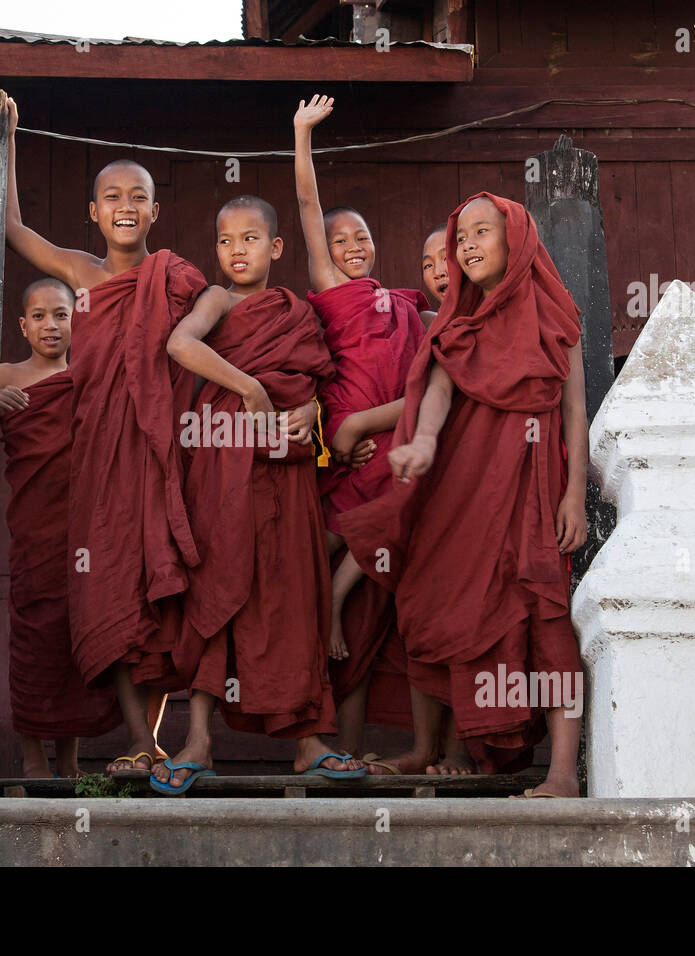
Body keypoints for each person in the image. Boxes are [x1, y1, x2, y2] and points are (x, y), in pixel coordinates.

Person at [339, 192, 588, 796]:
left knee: (543, 615)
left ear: (516, 240)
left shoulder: (556, 317)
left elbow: (576, 412)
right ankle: (427, 746)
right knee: (431, 599)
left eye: (482, 232)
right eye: (462, 237)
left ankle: (560, 773)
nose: (468, 245)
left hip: (532, 493)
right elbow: (438, 392)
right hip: (462, 493)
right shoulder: (457, 320)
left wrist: (575, 493)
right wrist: (422, 442)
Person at [3, 96, 203, 774]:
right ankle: (141, 743)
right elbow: (11, 226)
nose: (124, 205)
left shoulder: (175, 279)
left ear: (154, 212)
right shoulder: (83, 275)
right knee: (111, 592)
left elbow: (213, 348)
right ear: (94, 212)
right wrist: (7, 134)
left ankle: (153, 739)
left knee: (160, 595)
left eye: (138, 196)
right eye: (111, 195)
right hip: (101, 463)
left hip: (160, 458)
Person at [151, 196, 365, 793]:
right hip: (221, 468)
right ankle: (197, 738)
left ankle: (307, 741)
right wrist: (248, 389)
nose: (236, 250)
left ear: (275, 247)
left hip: (287, 476)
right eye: (225, 240)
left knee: (292, 592)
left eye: (249, 239)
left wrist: (312, 413)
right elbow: (179, 346)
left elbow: (317, 385)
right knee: (218, 588)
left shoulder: (295, 311)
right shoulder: (217, 300)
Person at [294, 94, 425, 758]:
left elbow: (434, 379)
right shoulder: (332, 288)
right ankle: (320, 623)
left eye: (362, 237)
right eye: (343, 239)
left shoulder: (406, 303)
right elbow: (310, 211)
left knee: (372, 600)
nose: (350, 246)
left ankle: (342, 755)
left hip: (390, 440)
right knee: (319, 553)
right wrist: (301, 136)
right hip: (346, 437)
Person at [0, 278, 121, 778]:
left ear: (77, 321)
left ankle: (69, 760)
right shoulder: (4, 375)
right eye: (41, 316)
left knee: (75, 632)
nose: (52, 325)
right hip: (34, 528)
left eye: (62, 315)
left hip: (83, 527)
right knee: (33, 633)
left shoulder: (88, 377)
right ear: (23, 325)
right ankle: (32, 758)